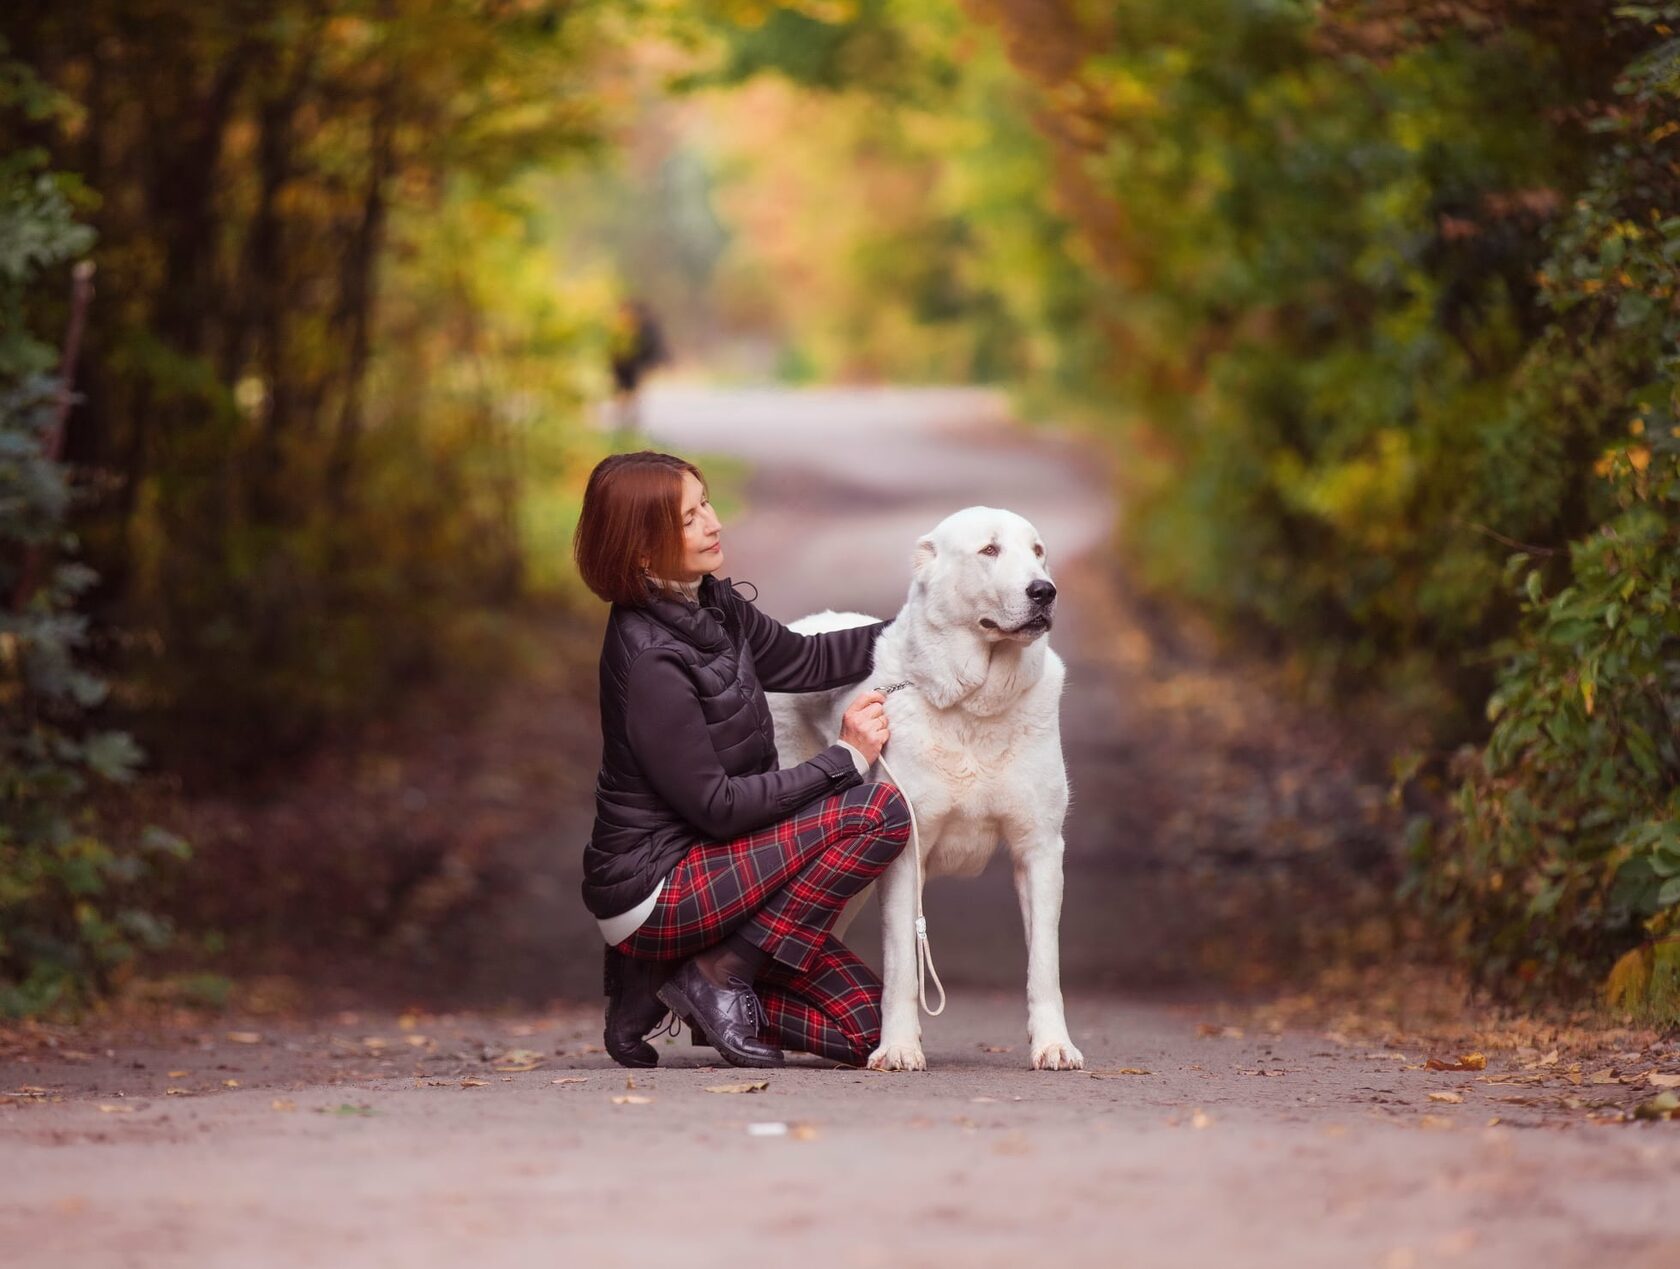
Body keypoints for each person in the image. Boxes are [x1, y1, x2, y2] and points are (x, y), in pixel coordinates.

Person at [572, 451, 910, 1069]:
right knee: (877, 812)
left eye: (707, 503)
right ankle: (717, 972)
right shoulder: (649, 658)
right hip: (657, 888)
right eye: (689, 517)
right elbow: (718, 808)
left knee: (872, 1032)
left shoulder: (710, 604)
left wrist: (926, 627)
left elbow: (803, 662)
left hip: (722, 875)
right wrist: (844, 758)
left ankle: (670, 980)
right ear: (642, 550)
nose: (714, 522)